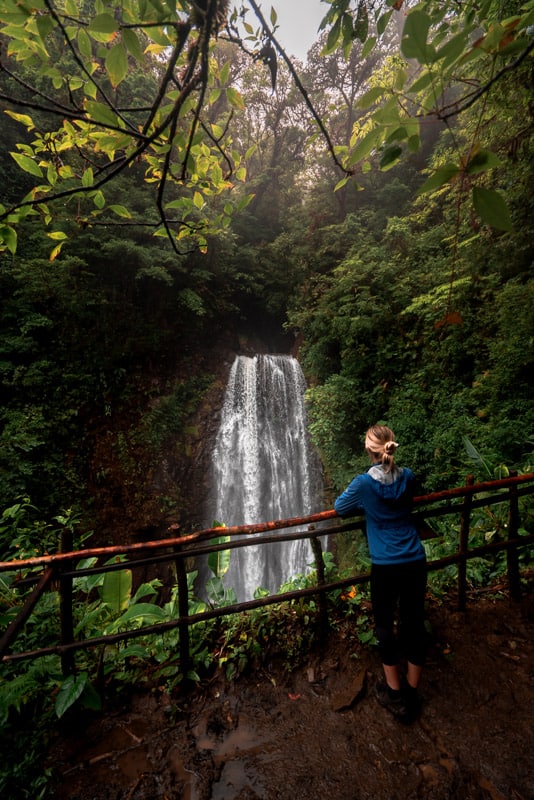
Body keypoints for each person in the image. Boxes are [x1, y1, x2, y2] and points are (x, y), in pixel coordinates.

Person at [334, 424, 427, 724]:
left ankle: (394, 692)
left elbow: (340, 508)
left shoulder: (364, 485)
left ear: (369, 451)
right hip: (414, 559)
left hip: (386, 565)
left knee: (385, 625)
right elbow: (409, 493)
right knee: (414, 622)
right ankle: (412, 691)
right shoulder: (408, 477)